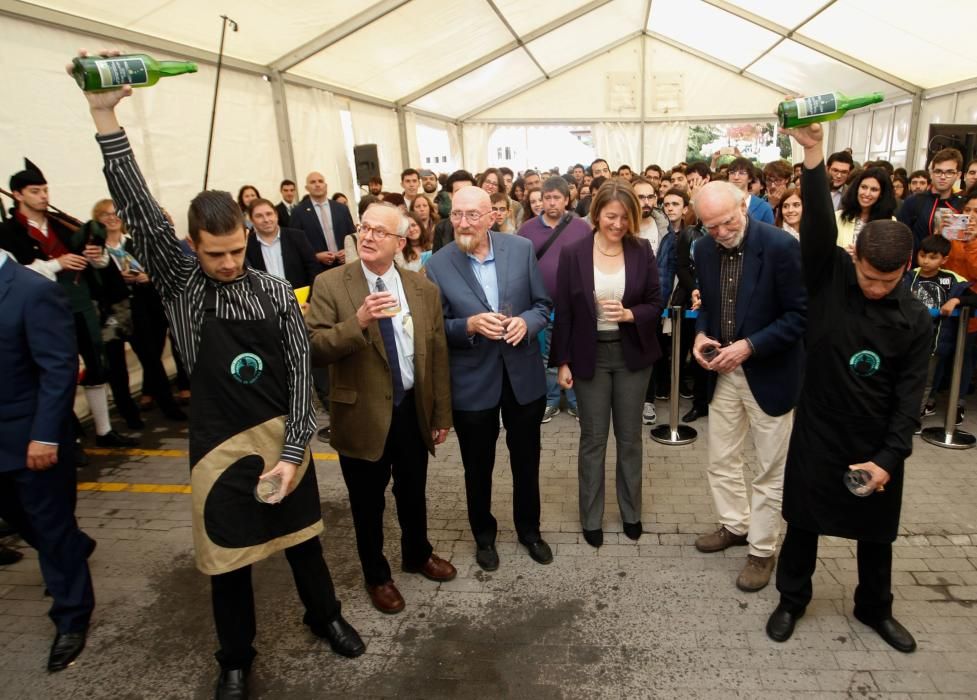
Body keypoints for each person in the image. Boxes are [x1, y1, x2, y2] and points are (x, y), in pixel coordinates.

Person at [78, 58, 364, 699]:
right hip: (215, 442)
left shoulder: (269, 289)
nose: (230, 262)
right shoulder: (181, 284)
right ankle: (234, 658)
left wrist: (295, 453)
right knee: (227, 560)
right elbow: (140, 208)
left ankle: (325, 618)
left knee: (303, 546)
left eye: (237, 249)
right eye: (216, 253)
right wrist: (105, 118)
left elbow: (298, 373)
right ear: (191, 245)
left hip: (281, 436)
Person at [766, 122, 932, 655]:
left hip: (875, 437)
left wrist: (889, 458)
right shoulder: (831, 275)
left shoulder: (915, 317)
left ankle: (874, 607)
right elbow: (816, 223)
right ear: (854, 257)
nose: (876, 287)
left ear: (905, 269)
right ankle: (792, 598)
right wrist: (813, 152)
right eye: (868, 276)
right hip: (818, 427)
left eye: (887, 281)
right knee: (804, 522)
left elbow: (911, 397)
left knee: (877, 532)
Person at [306, 202, 454, 614]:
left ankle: (417, 554)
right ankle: (377, 576)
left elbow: (437, 354)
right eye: (363, 228)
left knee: (413, 492)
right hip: (361, 415)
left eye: (379, 231)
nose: (367, 237)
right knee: (367, 503)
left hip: (410, 409)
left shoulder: (422, 289)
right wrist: (358, 323)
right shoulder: (332, 284)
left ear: (400, 241)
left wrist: (441, 415)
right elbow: (314, 348)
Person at [425, 186, 553, 572]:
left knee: (527, 460)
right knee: (477, 466)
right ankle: (484, 535)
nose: (462, 223)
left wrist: (525, 324)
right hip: (472, 381)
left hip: (522, 375)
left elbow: (543, 306)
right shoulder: (438, 264)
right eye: (456, 215)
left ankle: (529, 530)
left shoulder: (520, 249)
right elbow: (434, 328)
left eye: (472, 215)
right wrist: (468, 325)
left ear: (492, 216)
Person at [690, 180, 806, 593]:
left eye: (726, 223)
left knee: (770, 470)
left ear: (745, 205)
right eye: (710, 227)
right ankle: (734, 525)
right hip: (722, 371)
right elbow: (707, 306)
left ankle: (762, 548)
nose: (719, 233)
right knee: (721, 458)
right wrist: (701, 335)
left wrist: (750, 347)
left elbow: (799, 315)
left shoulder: (780, 246)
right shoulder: (703, 249)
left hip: (769, 373)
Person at [551, 181, 663, 548]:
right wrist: (562, 361)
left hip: (632, 355)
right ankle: (591, 517)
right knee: (593, 439)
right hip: (590, 355)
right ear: (597, 213)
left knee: (630, 439)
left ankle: (632, 513)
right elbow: (564, 312)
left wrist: (631, 314)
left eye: (625, 217)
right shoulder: (574, 252)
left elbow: (655, 302)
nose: (617, 224)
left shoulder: (642, 249)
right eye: (611, 216)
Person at [0, 249, 96, 673]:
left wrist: (43, 435)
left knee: (51, 528)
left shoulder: (31, 291)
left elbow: (57, 369)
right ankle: (75, 548)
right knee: (20, 521)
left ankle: (72, 616)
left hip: (31, 442)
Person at [0, 159, 137, 449]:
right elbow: (13, 271)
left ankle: (104, 430)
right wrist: (56, 264)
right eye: (36, 191)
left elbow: (99, 263)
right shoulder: (8, 232)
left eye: (45, 190)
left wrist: (95, 254)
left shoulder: (62, 226)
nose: (44, 196)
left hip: (78, 303)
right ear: (18, 195)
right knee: (57, 370)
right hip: (39, 311)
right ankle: (66, 436)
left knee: (96, 366)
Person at [94, 198, 186, 428]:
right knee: (117, 366)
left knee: (152, 360)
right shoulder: (96, 250)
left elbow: (155, 270)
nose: (112, 217)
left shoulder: (132, 244)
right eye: (105, 214)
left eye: (115, 213)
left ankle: (169, 406)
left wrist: (147, 277)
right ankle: (129, 415)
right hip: (112, 314)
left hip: (139, 309)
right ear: (98, 219)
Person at [517, 177, 592, 422]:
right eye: (546, 197)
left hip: (574, 304)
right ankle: (550, 400)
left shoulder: (581, 227)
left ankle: (575, 401)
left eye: (556, 198)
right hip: (540, 304)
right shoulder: (527, 229)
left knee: (574, 351)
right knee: (546, 354)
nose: (550, 203)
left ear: (566, 199)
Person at [904, 235, 971, 424]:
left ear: (944, 260)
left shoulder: (951, 279)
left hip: (934, 343)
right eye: (923, 255)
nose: (926, 261)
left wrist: (956, 300)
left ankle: (914, 419)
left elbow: (973, 297)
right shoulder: (910, 275)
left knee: (925, 382)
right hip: (907, 340)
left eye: (932, 257)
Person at [244, 198, 320, 290]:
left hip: (300, 299)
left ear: (276, 215)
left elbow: (314, 269)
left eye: (269, 214)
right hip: (266, 302)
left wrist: (309, 300)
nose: (266, 219)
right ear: (252, 220)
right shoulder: (247, 245)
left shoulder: (297, 237)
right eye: (259, 216)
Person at [898, 148, 965, 251]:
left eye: (949, 172)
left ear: (958, 175)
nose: (943, 177)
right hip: (916, 264)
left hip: (951, 263)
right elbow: (900, 238)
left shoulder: (962, 204)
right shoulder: (913, 201)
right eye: (938, 171)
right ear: (931, 173)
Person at [289, 171, 354, 271]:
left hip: (345, 266)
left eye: (320, 181)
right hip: (317, 269)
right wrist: (316, 256)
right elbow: (295, 244)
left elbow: (352, 235)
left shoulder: (341, 209)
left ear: (326, 185)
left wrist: (348, 251)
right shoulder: (298, 212)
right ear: (307, 188)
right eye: (313, 182)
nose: (317, 184)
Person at [835, 167, 897, 252]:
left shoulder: (890, 222)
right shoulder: (837, 217)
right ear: (857, 188)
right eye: (864, 187)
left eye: (874, 190)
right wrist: (842, 254)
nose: (867, 193)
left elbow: (890, 255)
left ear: (882, 194)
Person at [432, 170, 476, 252]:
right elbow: (437, 261)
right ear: (450, 195)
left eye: (468, 191)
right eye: (458, 191)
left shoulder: (488, 223)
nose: (464, 195)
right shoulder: (441, 228)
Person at [727, 158, 775, 224]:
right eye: (732, 173)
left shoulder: (763, 207)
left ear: (750, 178)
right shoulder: (719, 203)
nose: (736, 177)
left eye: (741, 173)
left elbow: (770, 233)